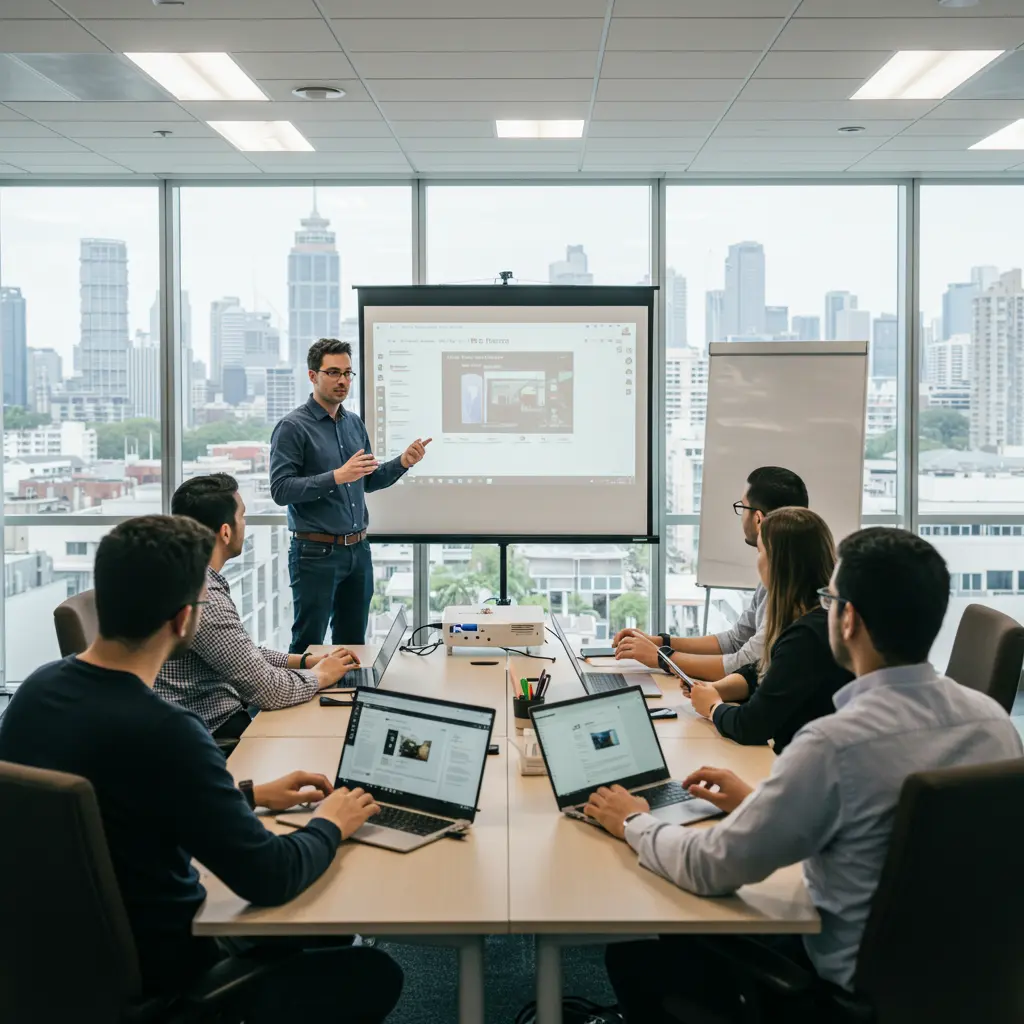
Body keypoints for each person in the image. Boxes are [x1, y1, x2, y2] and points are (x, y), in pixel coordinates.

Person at [587, 528, 1022, 1023]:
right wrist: (761, 803)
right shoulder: (995, 726)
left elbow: (709, 868)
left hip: (845, 996)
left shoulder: (835, 744)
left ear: (849, 619)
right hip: (968, 983)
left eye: (828, 598)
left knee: (636, 955)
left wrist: (632, 821)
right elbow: (891, 831)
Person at [0, 516, 402, 1021]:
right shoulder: (168, 731)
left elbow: (119, 800)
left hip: (49, 960)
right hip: (172, 969)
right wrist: (332, 821)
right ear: (184, 619)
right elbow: (271, 877)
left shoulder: (35, 691)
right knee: (370, 966)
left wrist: (249, 795)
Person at [156, 473, 361, 741]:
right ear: (225, 532)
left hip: (208, 717)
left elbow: (242, 654)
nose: (245, 524)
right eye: (242, 517)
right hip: (216, 731)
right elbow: (269, 690)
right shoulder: (205, 597)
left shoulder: (180, 575)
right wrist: (321, 676)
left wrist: (305, 662)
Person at [270, 338, 431, 651]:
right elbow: (280, 489)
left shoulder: (353, 423)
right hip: (316, 554)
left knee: (353, 644)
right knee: (308, 644)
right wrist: (336, 476)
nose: (342, 380)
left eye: (347, 373)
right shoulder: (292, 427)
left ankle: (346, 700)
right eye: (332, 372)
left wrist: (402, 463)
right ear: (312, 376)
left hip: (358, 551)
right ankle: (303, 698)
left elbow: (367, 482)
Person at [613, 466, 808, 680]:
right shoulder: (777, 571)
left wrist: (661, 657)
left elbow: (747, 662)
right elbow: (736, 640)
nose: (740, 515)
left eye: (742, 507)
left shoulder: (791, 586)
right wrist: (661, 642)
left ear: (758, 519)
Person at [687, 507, 853, 754]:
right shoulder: (817, 616)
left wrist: (713, 707)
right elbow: (775, 676)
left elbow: (752, 725)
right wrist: (720, 688)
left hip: (809, 767)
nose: (757, 560)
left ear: (779, 562)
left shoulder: (807, 634)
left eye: (760, 550)